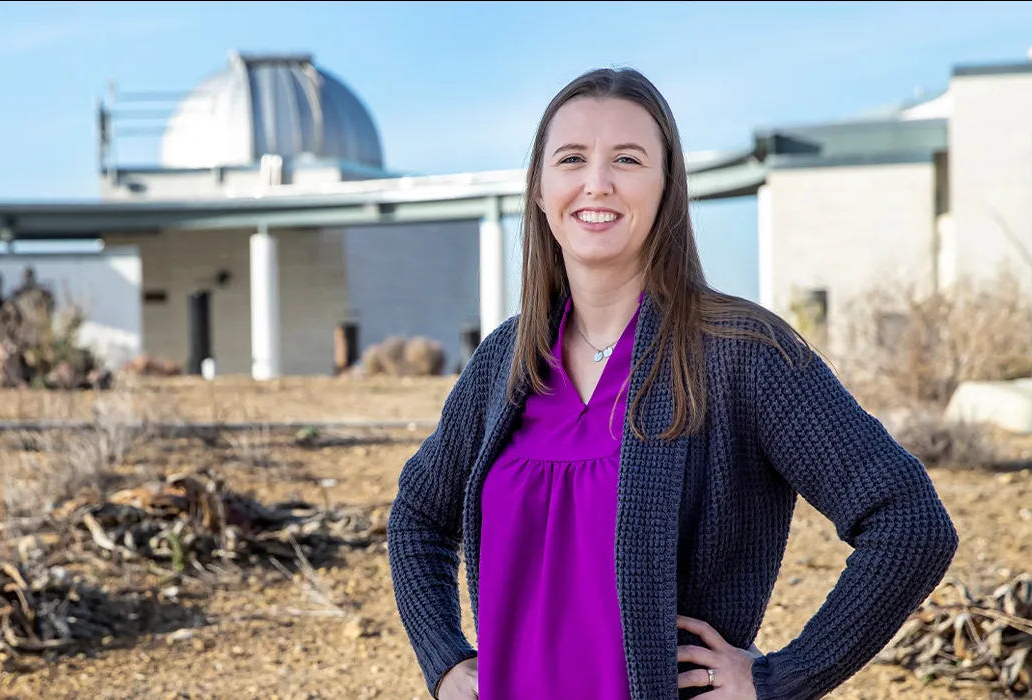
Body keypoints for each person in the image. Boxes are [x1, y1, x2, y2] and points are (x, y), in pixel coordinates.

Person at [387, 67, 959, 700]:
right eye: (571, 158)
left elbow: (909, 522)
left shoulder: (741, 352)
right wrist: (445, 661)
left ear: (667, 188)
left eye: (627, 160)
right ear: (541, 189)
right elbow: (417, 515)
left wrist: (781, 680)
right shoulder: (507, 360)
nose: (596, 183)